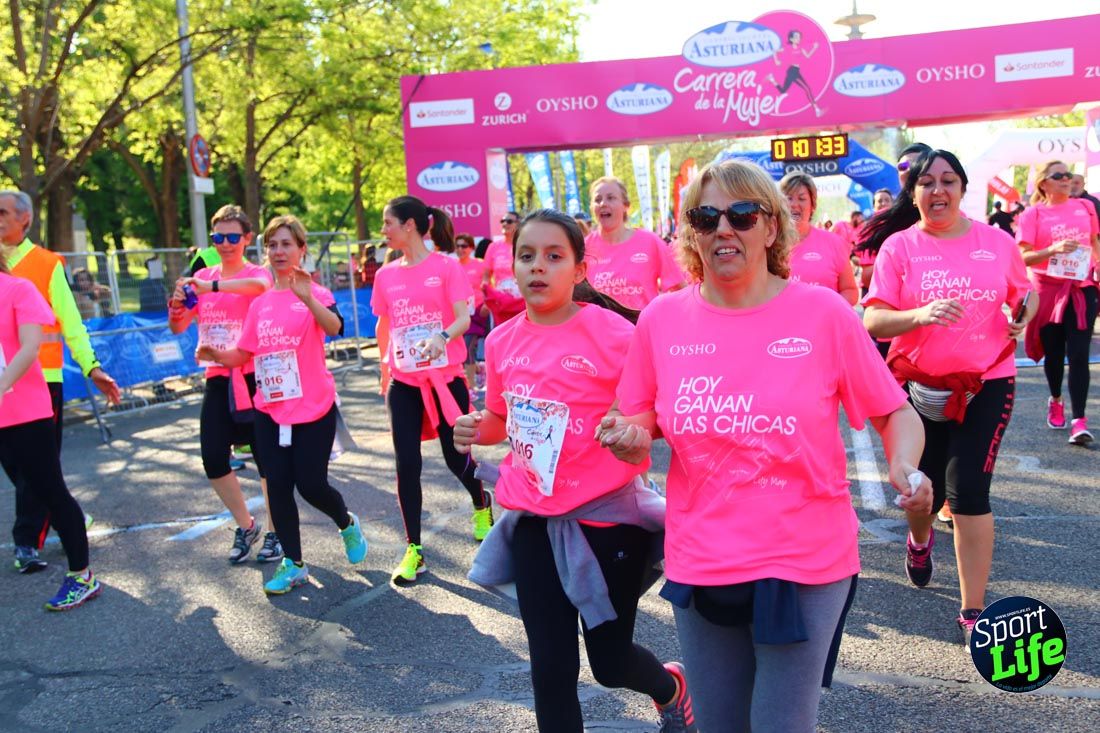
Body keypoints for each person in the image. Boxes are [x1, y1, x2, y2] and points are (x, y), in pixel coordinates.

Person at [602, 160, 930, 732]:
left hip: (804, 558)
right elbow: (635, 425)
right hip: (702, 558)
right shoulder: (661, 320)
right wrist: (627, 437)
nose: (723, 228)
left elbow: (893, 410)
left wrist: (904, 465)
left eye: (742, 214)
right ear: (690, 232)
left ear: (771, 227)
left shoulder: (823, 314)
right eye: (706, 217)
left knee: (781, 724)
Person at [457, 209, 696, 733]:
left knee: (609, 664)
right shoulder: (501, 342)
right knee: (551, 667)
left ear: (580, 270)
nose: (537, 267)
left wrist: (627, 424)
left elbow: (654, 410)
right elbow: (502, 418)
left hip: (606, 522)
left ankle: (671, 686)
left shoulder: (616, 334)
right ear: (512, 268)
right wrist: (478, 426)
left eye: (553, 256)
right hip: (534, 522)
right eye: (526, 256)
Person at [863, 149, 1037, 643]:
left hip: (987, 380)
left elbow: (1023, 293)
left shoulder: (996, 242)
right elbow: (872, 319)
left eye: (948, 181)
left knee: (968, 496)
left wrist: (1024, 313)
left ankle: (974, 611)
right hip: (920, 384)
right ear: (914, 193)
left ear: (962, 189)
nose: (938, 190)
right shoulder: (900, 247)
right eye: (927, 182)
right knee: (922, 487)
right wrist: (918, 316)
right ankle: (919, 543)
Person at [199, 214, 368, 595]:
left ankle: (346, 522)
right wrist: (217, 354)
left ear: (301, 250)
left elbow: (335, 328)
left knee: (311, 485)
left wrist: (306, 297)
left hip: (313, 408)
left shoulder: (316, 293)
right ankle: (294, 564)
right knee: (277, 485)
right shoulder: (260, 304)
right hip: (270, 410)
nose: (278, 252)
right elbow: (244, 353)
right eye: (272, 245)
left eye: (286, 244)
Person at [0, 190, 121, 573]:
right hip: (5, 390)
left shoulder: (46, 263)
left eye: (3, 212)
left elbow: (71, 322)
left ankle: (28, 541)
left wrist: (91, 366)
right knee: (22, 472)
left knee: (38, 472)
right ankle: (62, 513)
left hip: (41, 384)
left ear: (25, 220)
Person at [372, 196, 491, 584]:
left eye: (388, 223)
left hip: (444, 378)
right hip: (404, 381)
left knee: (456, 457)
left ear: (409, 225)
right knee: (407, 464)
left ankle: (480, 502)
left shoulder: (446, 266)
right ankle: (414, 549)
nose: (384, 230)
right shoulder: (385, 273)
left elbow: (463, 316)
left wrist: (442, 337)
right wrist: (384, 368)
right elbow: (384, 325)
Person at [169, 205, 281, 564]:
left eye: (233, 237)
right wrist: (177, 304)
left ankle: (277, 531)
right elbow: (178, 326)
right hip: (218, 377)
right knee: (213, 458)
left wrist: (210, 285)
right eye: (219, 237)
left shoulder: (255, 273)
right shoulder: (204, 277)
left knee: (267, 462)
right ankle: (246, 525)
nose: (226, 243)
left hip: (256, 377)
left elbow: (261, 286)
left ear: (248, 238)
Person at [0, 249, 102, 610]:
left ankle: (82, 576)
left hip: (26, 411)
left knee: (50, 491)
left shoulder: (18, 290)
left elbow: (29, 348)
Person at [1017, 161, 1100, 445]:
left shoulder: (1086, 208)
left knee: (1079, 354)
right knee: (1054, 354)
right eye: (1058, 175)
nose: (1066, 179)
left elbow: (1094, 242)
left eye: (1068, 174)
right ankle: (1055, 399)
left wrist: (1097, 265)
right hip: (1047, 291)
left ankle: (1079, 420)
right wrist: (1052, 249)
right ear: (1044, 183)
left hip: (1081, 288)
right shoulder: (1033, 214)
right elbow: (1022, 257)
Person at [586, 177, 684, 310]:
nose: (603, 203)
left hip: (640, 328)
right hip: (598, 330)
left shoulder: (650, 242)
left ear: (626, 206)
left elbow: (680, 288)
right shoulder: (584, 248)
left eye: (611, 198)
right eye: (597, 200)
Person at [779, 172, 859, 305]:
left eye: (801, 198)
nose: (794, 204)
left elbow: (850, 290)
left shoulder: (834, 243)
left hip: (825, 324)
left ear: (813, 205)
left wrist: (828, 312)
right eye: (788, 198)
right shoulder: (766, 244)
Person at [455, 232, 489, 399]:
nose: (461, 249)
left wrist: (487, 305)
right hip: (461, 312)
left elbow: (490, 285)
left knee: (468, 346)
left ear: (471, 248)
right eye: (458, 246)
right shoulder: (453, 266)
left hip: (478, 310)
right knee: (464, 347)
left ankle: (471, 386)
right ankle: (477, 369)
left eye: (464, 246)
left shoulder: (480, 265)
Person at [766, 29, 823, 117]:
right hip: (792, 71)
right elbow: (775, 51)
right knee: (807, 89)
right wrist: (776, 60)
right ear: (791, 39)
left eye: (799, 37)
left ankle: (772, 79)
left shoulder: (801, 48)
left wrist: (814, 48)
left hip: (795, 71)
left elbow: (807, 56)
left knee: (783, 90)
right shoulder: (787, 48)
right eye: (796, 37)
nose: (798, 38)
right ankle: (817, 109)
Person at [482, 211, 525, 323]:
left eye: (509, 221)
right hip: (500, 302)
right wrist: (487, 299)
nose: (505, 224)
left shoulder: (525, 245)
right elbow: (486, 277)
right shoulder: (493, 247)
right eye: (503, 221)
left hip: (522, 300)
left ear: (518, 224)